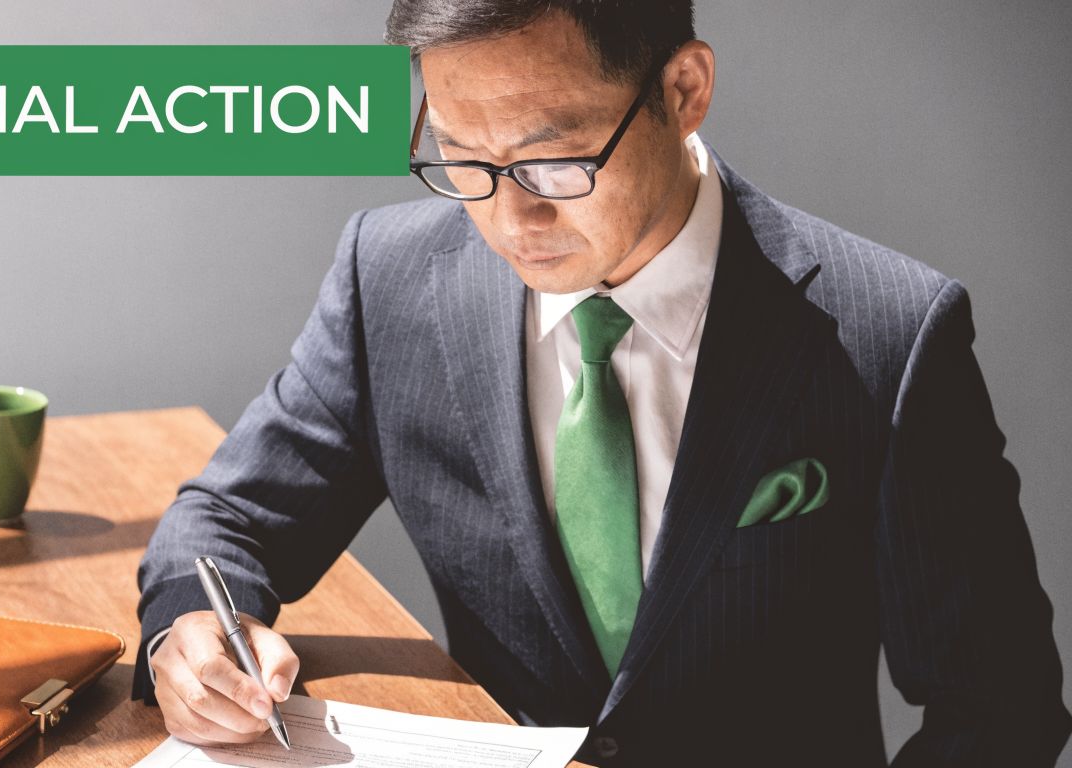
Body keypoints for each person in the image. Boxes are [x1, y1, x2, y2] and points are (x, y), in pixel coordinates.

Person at [132, 2, 1071, 765]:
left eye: (555, 158)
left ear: (684, 90)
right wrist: (192, 634)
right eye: (461, 153)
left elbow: (1001, 711)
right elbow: (229, 516)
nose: (510, 217)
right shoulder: (393, 281)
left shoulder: (890, 335)